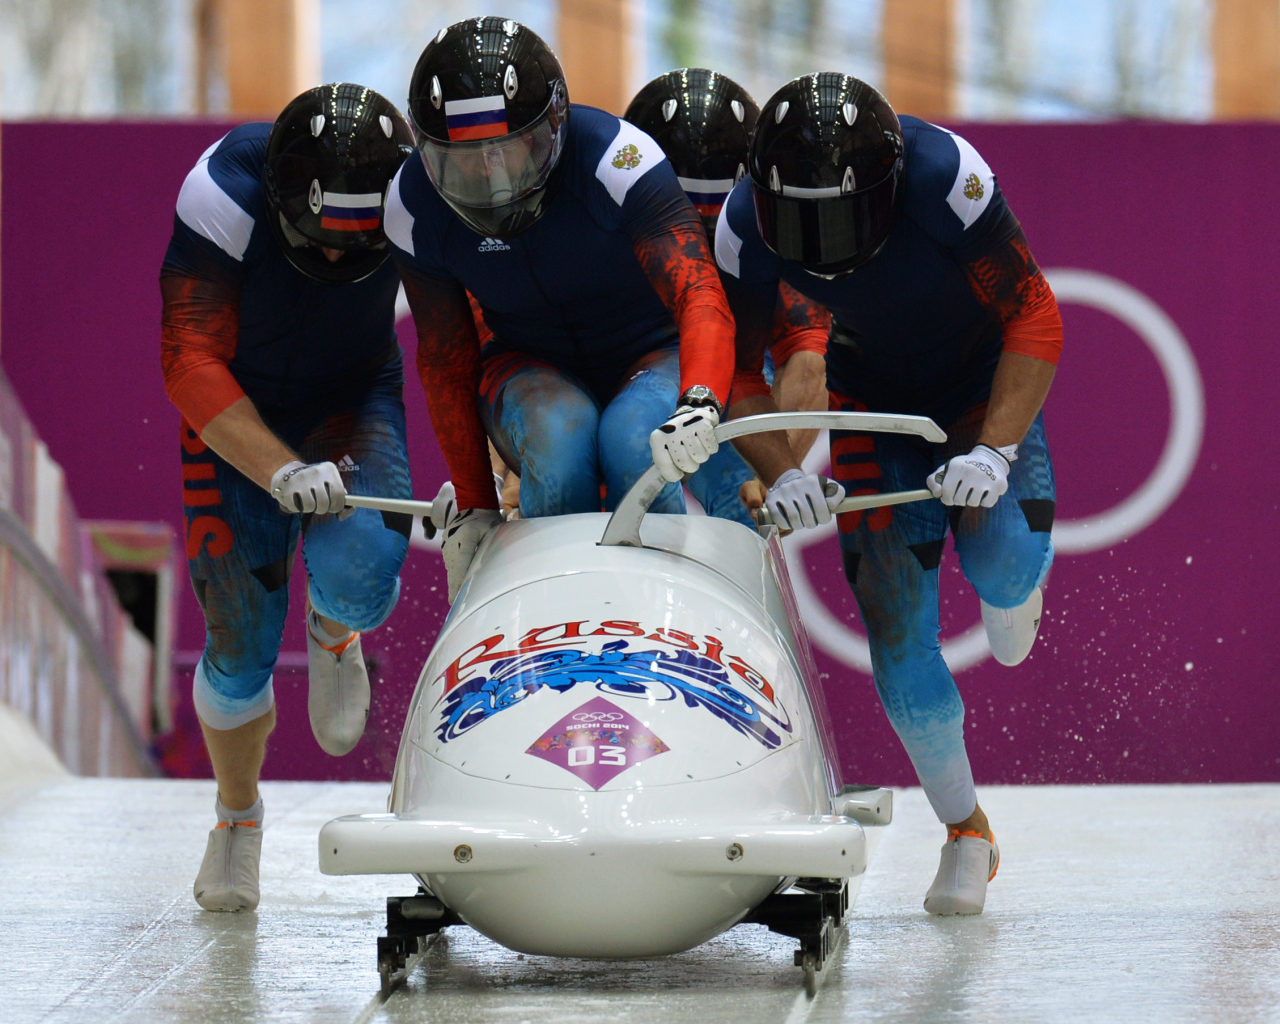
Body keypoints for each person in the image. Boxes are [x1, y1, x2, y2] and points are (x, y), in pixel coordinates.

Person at [715, 73, 1062, 914]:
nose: (819, 243)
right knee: (900, 643)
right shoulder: (741, 224)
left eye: (836, 217)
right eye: (798, 221)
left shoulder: (949, 177)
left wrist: (996, 447)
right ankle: (967, 831)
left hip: (978, 385)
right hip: (870, 403)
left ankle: (1018, 580)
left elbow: (1034, 316)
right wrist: (784, 468)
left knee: (1005, 570)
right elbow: (730, 368)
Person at [160, 84, 416, 911]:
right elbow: (188, 362)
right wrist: (274, 467)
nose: (339, 260)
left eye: (359, 244)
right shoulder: (220, 194)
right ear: (281, 202)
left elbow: (467, 336)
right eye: (321, 242)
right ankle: (238, 820)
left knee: (365, 580)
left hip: (352, 397)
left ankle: (336, 628)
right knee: (238, 647)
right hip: (236, 409)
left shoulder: (424, 195)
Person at [385, 17, 736, 600]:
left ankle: (673, 607)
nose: (493, 180)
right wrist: (475, 503)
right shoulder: (412, 205)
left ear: (554, 126)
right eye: (467, 159)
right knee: (558, 437)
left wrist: (698, 398)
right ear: (429, 156)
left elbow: (698, 293)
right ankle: (552, 615)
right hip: (526, 362)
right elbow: (447, 359)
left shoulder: (618, 162)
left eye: (509, 150)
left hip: (652, 350)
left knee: (633, 440)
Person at [623, 67, 831, 484]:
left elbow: (809, 361)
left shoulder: (766, 226)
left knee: (736, 477)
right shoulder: (604, 215)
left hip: (737, 366)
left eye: (715, 223)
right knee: (622, 440)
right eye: (685, 222)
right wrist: (508, 473)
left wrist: (775, 477)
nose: (699, 245)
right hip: (631, 362)